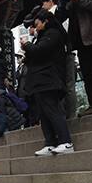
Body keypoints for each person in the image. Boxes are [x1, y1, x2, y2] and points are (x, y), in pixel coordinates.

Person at [20, 10, 74, 156]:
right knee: (43, 114)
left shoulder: (53, 34)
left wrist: (27, 45)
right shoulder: (42, 36)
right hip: (39, 80)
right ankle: (50, 142)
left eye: (37, 24)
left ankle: (66, 141)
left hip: (49, 79)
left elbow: (40, 50)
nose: (35, 27)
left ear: (45, 21)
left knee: (53, 110)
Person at [41, 0, 77, 119]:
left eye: (44, 3)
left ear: (51, 1)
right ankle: (65, 115)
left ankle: (70, 115)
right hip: (59, 55)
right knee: (63, 85)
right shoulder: (50, 16)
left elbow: (66, 32)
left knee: (68, 85)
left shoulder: (59, 13)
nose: (43, 6)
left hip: (65, 53)